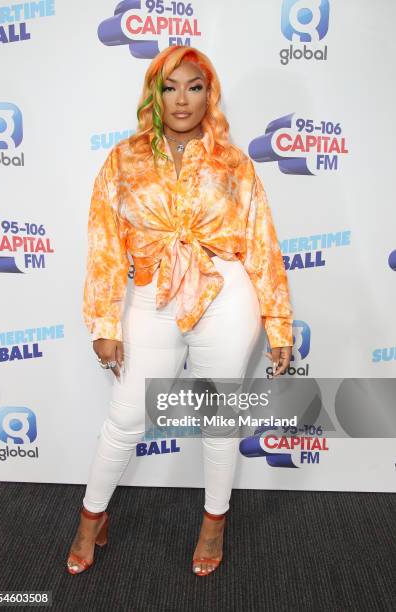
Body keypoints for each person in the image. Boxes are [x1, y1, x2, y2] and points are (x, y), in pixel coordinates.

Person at [66, 45, 293, 577]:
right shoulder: (124, 159)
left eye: (194, 86)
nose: (183, 99)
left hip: (225, 292)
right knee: (126, 414)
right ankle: (89, 517)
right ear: (154, 94)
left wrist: (278, 323)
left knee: (217, 419)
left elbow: (261, 242)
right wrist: (103, 322)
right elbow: (103, 244)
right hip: (152, 295)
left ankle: (214, 522)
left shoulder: (234, 162)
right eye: (171, 87)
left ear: (208, 93)